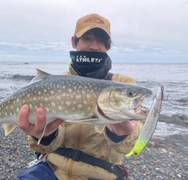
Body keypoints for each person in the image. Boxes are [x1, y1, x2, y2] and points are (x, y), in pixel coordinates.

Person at [15, 13, 143, 180]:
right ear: (74, 41)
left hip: (100, 174)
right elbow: (42, 143)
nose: (94, 46)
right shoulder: (56, 85)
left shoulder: (123, 84)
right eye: (87, 38)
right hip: (52, 169)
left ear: (108, 46)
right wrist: (44, 136)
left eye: (101, 41)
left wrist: (123, 135)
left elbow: (134, 144)